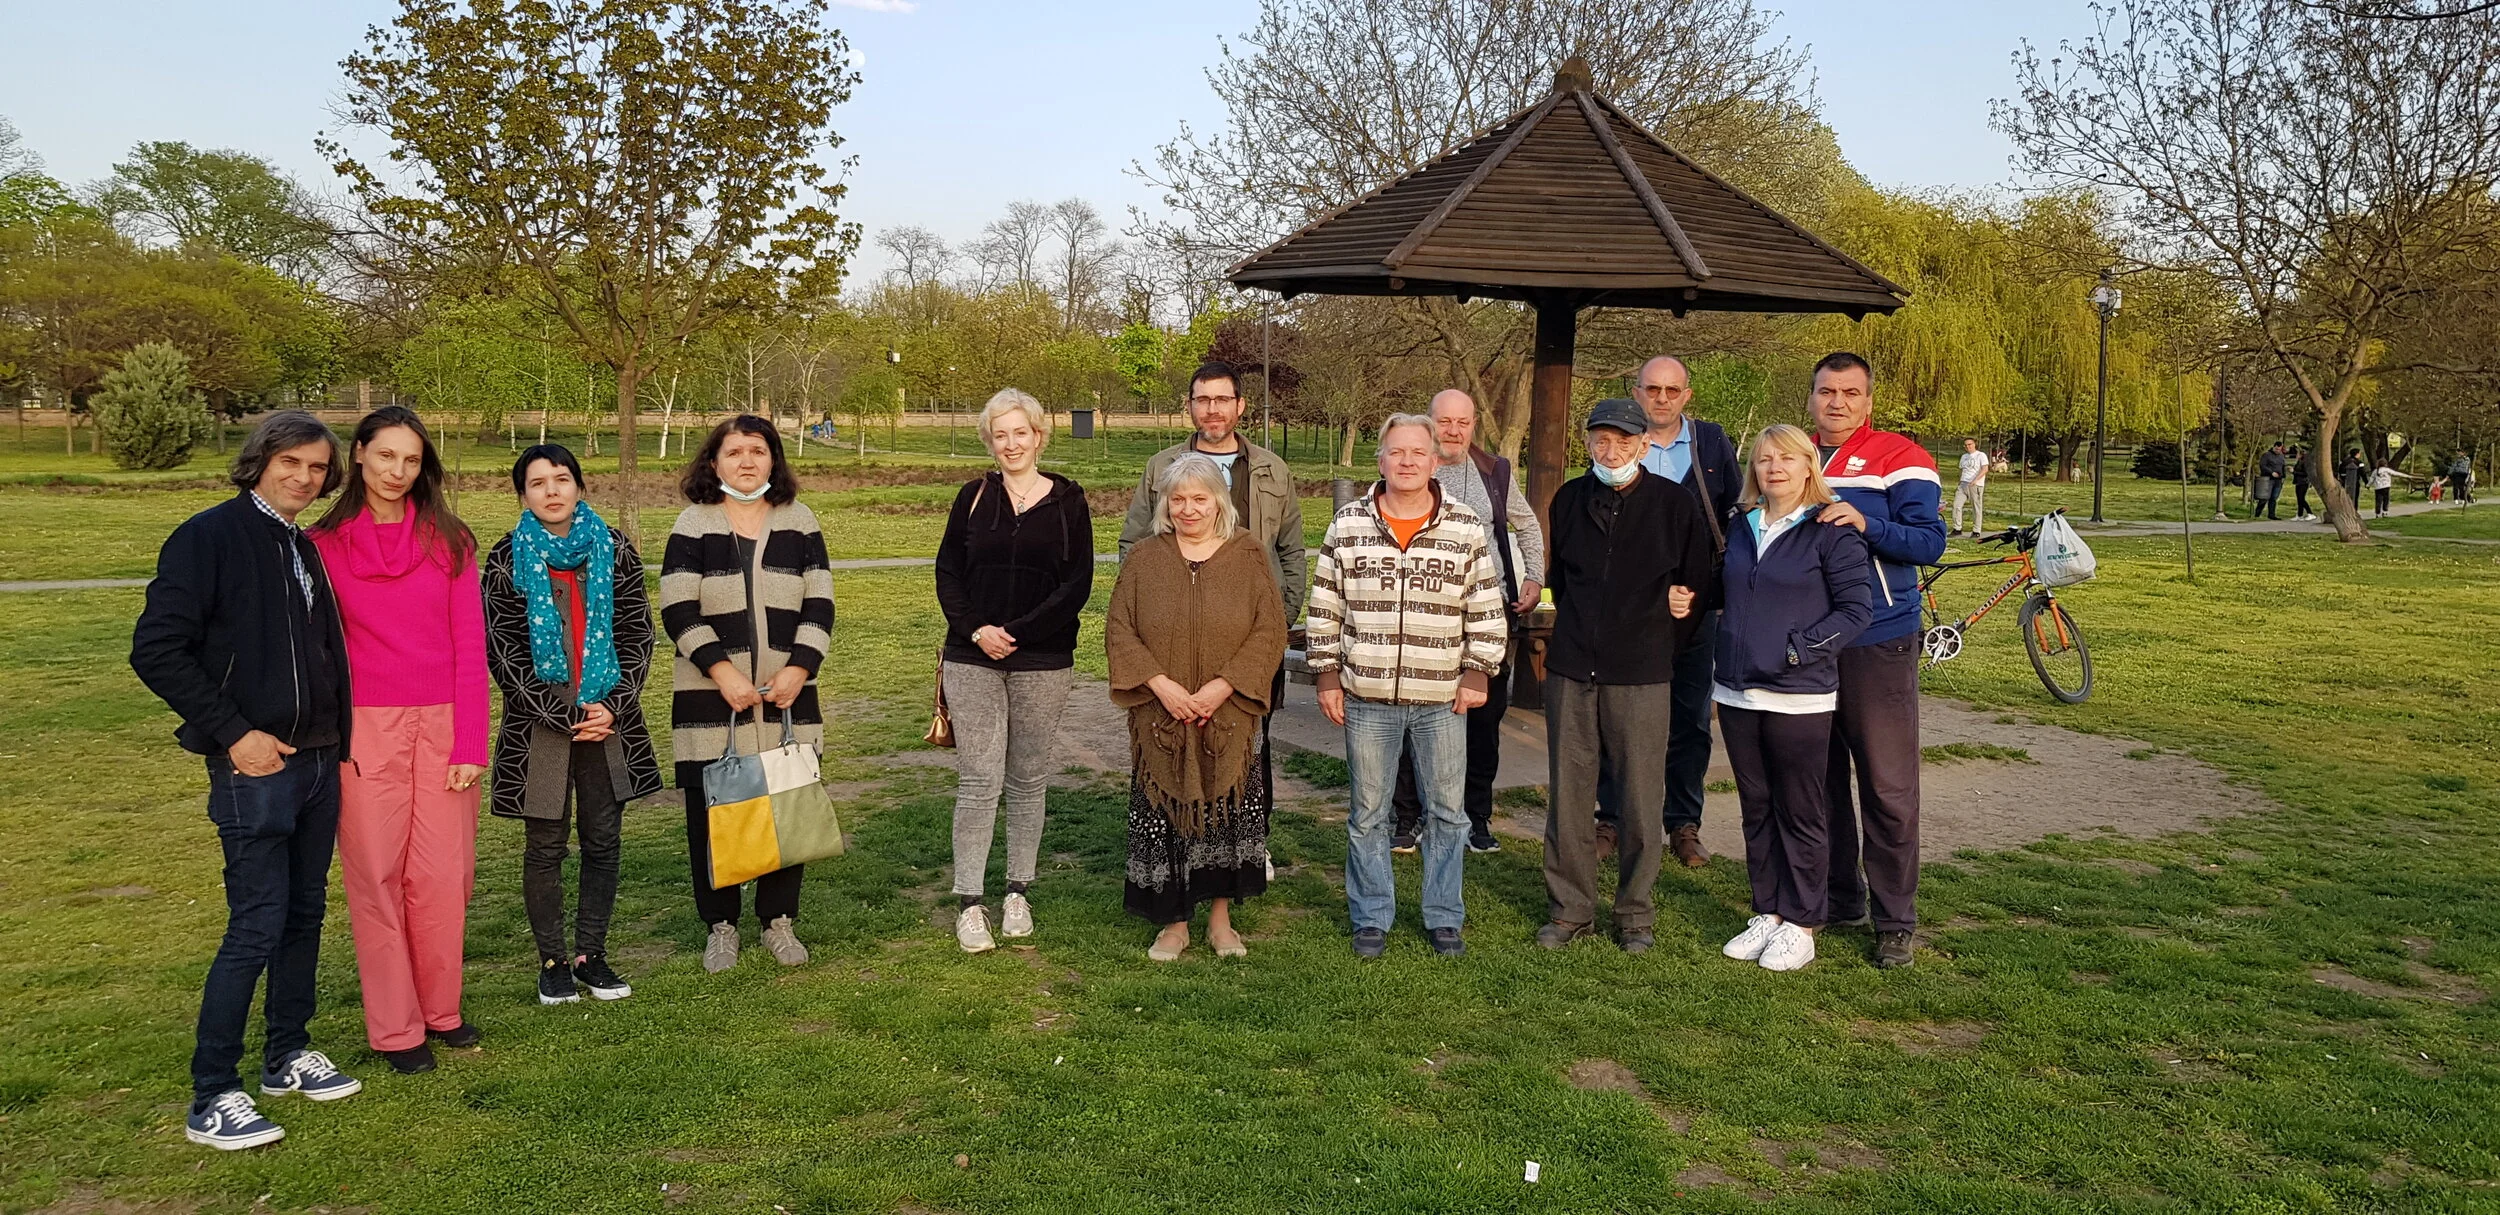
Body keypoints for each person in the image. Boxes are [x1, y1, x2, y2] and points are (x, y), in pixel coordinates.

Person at [132, 410, 363, 1150]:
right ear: (259, 460)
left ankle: (286, 1053)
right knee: (256, 922)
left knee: (303, 914)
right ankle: (214, 1091)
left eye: (318, 469)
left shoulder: (302, 545)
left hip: (319, 757)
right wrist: (234, 732)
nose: (304, 477)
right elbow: (158, 648)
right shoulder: (209, 537)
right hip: (255, 764)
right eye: (291, 462)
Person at [304, 407, 488, 1077]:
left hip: (443, 725)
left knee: (444, 875)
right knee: (376, 877)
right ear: (358, 455)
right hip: (364, 731)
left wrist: (471, 739)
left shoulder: (452, 540)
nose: (397, 471)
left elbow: (472, 644)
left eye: (411, 460)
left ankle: (441, 1009)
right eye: (386, 456)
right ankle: (395, 1027)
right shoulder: (321, 546)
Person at [1308, 414, 1509, 959]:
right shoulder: (1348, 524)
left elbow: (1486, 608)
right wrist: (1326, 673)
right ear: (1380, 460)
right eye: (1396, 452)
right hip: (1367, 694)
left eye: (1417, 453)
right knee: (1368, 812)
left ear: (1435, 460)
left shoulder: (1465, 526)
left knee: (1448, 811)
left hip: (1442, 696)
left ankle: (1444, 916)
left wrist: (1477, 670)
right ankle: (1371, 915)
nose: (1407, 462)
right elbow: (1325, 605)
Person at [482, 444, 661, 1006]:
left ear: (580, 486)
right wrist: (563, 715)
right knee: (546, 845)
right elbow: (504, 653)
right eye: (538, 483)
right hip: (541, 729)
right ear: (523, 495)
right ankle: (553, 962)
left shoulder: (617, 551)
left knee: (603, 840)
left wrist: (613, 705)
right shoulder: (505, 558)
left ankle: (592, 954)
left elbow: (638, 635)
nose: (552, 491)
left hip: (608, 723)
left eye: (562, 479)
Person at [661, 415, 836, 973]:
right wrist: (721, 672)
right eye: (733, 451)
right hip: (711, 701)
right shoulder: (693, 523)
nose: (745, 461)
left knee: (787, 805)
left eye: (757, 450)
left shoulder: (800, 520)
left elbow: (820, 604)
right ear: (713, 463)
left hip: (786, 698)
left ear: (773, 459)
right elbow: (677, 608)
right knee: (715, 813)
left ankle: (778, 921)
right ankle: (721, 926)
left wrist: (799, 669)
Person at [1537, 399, 1712, 953]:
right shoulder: (1568, 499)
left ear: (1643, 445)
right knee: (1570, 795)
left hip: (1641, 671)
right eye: (1600, 441)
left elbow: (1697, 586)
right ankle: (1570, 909)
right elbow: (1560, 581)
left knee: (1640, 795)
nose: (1610, 452)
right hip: (1572, 667)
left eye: (1622, 441)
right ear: (1588, 443)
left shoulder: (1674, 505)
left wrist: (1663, 631)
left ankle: (1634, 912)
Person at [1106, 454, 1288, 961]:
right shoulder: (1145, 558)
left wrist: (1222, 688)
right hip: (1161, 714)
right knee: (1163, 816)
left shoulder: (1247, 554)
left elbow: (1268, 629)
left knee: (1226, 814)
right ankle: (1173, 923)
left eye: (1199, 498)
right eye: (1178, 499)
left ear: (1219, 501)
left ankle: (1220, 920)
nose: (1188, 509)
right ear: (1165, 502)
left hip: (1228, 715)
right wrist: (1160, 685)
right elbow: (1119, 628)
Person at [933, 389, 1095, 954]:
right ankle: (970, 901)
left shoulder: (1069, 501)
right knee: (980, 779)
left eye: (1019, 433)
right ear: (989, 441)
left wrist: (1020, 633)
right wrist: (978, 629)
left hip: (1043, 659)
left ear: (1039, 436)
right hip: (972, 655)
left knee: (1027, 777)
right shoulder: (973, 497)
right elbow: (948, 572)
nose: (1010, 444)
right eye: (999, 435)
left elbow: (1077, 584)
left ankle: (1017, 889)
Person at [1713, 425, 1874, 973]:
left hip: (1797, 695)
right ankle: (1768, 912)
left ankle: (1803, 920)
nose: (1773, 468)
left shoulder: (1831, 531)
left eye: (1786, 458)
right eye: (1763, 460)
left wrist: (1798, 652)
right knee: (1755, 806)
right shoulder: (1740, 527)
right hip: (1736, 692)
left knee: (1800, 810)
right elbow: (1728, 590)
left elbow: (1857, 609)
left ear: (1809, 466)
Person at [1118, 360, 1307, 811]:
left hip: (1250, 637)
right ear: (1190, 407)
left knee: (1249, 739)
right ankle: (1174, 838)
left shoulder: (1271, 469)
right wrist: (1154, 612)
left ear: (1240, 406)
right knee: (1170, 735)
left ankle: (1248, 841)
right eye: (1203, 400)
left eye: (1222, 399)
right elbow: (1133, 544)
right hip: (1172, 641)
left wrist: (1277, 623)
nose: (1212, 409)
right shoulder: (1161, 467)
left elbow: (1292, 551)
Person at [1811, 352, 1946, 969]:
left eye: (1849, 393)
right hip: (1809, 643)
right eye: (1826, 391)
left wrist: (1867, 522)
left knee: (1888, 785)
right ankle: (1841, 896)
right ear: (1811, 397)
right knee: (1819, 779)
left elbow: (1928, 542)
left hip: (1879, 639)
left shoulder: (1900, 456)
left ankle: (1896, 920)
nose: (1836, 402)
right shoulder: (1792, 453)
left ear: (1868, 401)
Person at [1386, 389, 1545, 856]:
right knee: (1412, 717)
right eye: (1445, 421)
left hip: (1486, 616)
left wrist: (1534, 575)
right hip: (1422, 619)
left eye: (1463, 422)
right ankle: (1409, 815)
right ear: (1429, 422)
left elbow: (1526, 523)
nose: (1453, 431)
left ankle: (1476, 816)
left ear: (1474, 424)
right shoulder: (1411, 469)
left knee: (1484, 718)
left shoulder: (1494, 471)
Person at [1630, 355, 1739, 870]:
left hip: (1698, 601)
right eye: (1653, 389)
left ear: (1687, 395)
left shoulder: (1711, 442)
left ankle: (1683, 823)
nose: (1662, 399)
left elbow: (1738, 512)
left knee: (1691, 718)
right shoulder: (1621, 439)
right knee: (1620, 715)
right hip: (1630, 604)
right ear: (1637, 393)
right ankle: (1615, 818)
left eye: (1672, 390)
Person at [1952, 438, 1990, 537]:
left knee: (1976, 507)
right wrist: (1960, 481)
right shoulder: (1964, 457)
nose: (1968, 447)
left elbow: (1985, 469)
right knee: (1957, 505)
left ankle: (1976, 530)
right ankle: (1957, 528)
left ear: (1974, 444)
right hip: (1963, 484)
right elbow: (1962, 469)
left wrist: (1976, 480)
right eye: (1966, 445)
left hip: (1975, 484)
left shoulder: (1980, 455)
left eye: (1970, 444)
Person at [2253, 444, 2287, 521]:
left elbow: (2283, 466)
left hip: (2278, 480)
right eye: (2276, 449)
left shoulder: (2281, 456)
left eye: (2279, 449)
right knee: (2264, 497)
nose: (2278, 451)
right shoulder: (2266, 455)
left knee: (2274, 498)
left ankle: (2271, 514)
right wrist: (2271, 472)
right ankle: (2257, 514)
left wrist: (2284, 476)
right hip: (2268, 479)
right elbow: (2262, 465)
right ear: (2273, 447)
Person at [2289, 446, 2314, 521]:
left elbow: (2305, 473)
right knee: (2299, 499)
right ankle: (2300, 515)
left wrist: (2294, 472)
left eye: (2297, 454)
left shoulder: (2305, 463)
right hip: (2298, 482)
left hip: (2303, 482)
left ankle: (2310, 513)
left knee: (2302, 499)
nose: (2296, 455)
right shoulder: (2299, 462)